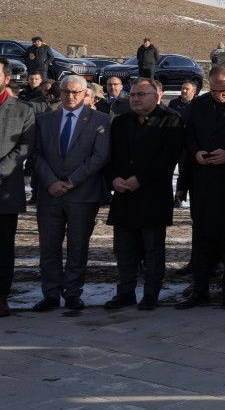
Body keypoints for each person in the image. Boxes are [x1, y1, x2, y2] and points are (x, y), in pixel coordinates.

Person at [175, 65, 225, 310]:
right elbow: (188, 138)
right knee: (202, 239)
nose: (219, 95)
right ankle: (200, 289)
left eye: (223, 90)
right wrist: (196, 153)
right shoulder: (198, 105)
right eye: (214, 90)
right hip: (204, 182)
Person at [30, 75, 112, 311]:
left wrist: (71, 181)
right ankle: (51, 294)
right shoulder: (45, 120)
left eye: (76, 92)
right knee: (49, 247)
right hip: (50, 194)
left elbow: (100, 156)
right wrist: (50, 182)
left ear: (86, 93)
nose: (70, 96)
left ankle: (73, 293)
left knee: (78, 247)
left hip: (82, 194)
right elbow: (36, 154)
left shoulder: (100, 120)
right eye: (66, 91)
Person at [102, 78, 183, 311]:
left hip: (153, 196)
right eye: (133, 95)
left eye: (141, 95)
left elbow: (168, 158)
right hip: (124, 195)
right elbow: (111, 156)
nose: (135, 99)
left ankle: (150, 294)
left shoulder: (170, 120)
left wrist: (140, 179)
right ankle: (125, 292)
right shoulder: (121, 122)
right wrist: (114, 178)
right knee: (124, 250)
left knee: (153, 250)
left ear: (156, 97)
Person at [0, 60, 35, 317]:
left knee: (2, 247)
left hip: (4, 189)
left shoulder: (22, 110)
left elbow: (25, 146)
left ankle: (1, 296)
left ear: (6, 78)